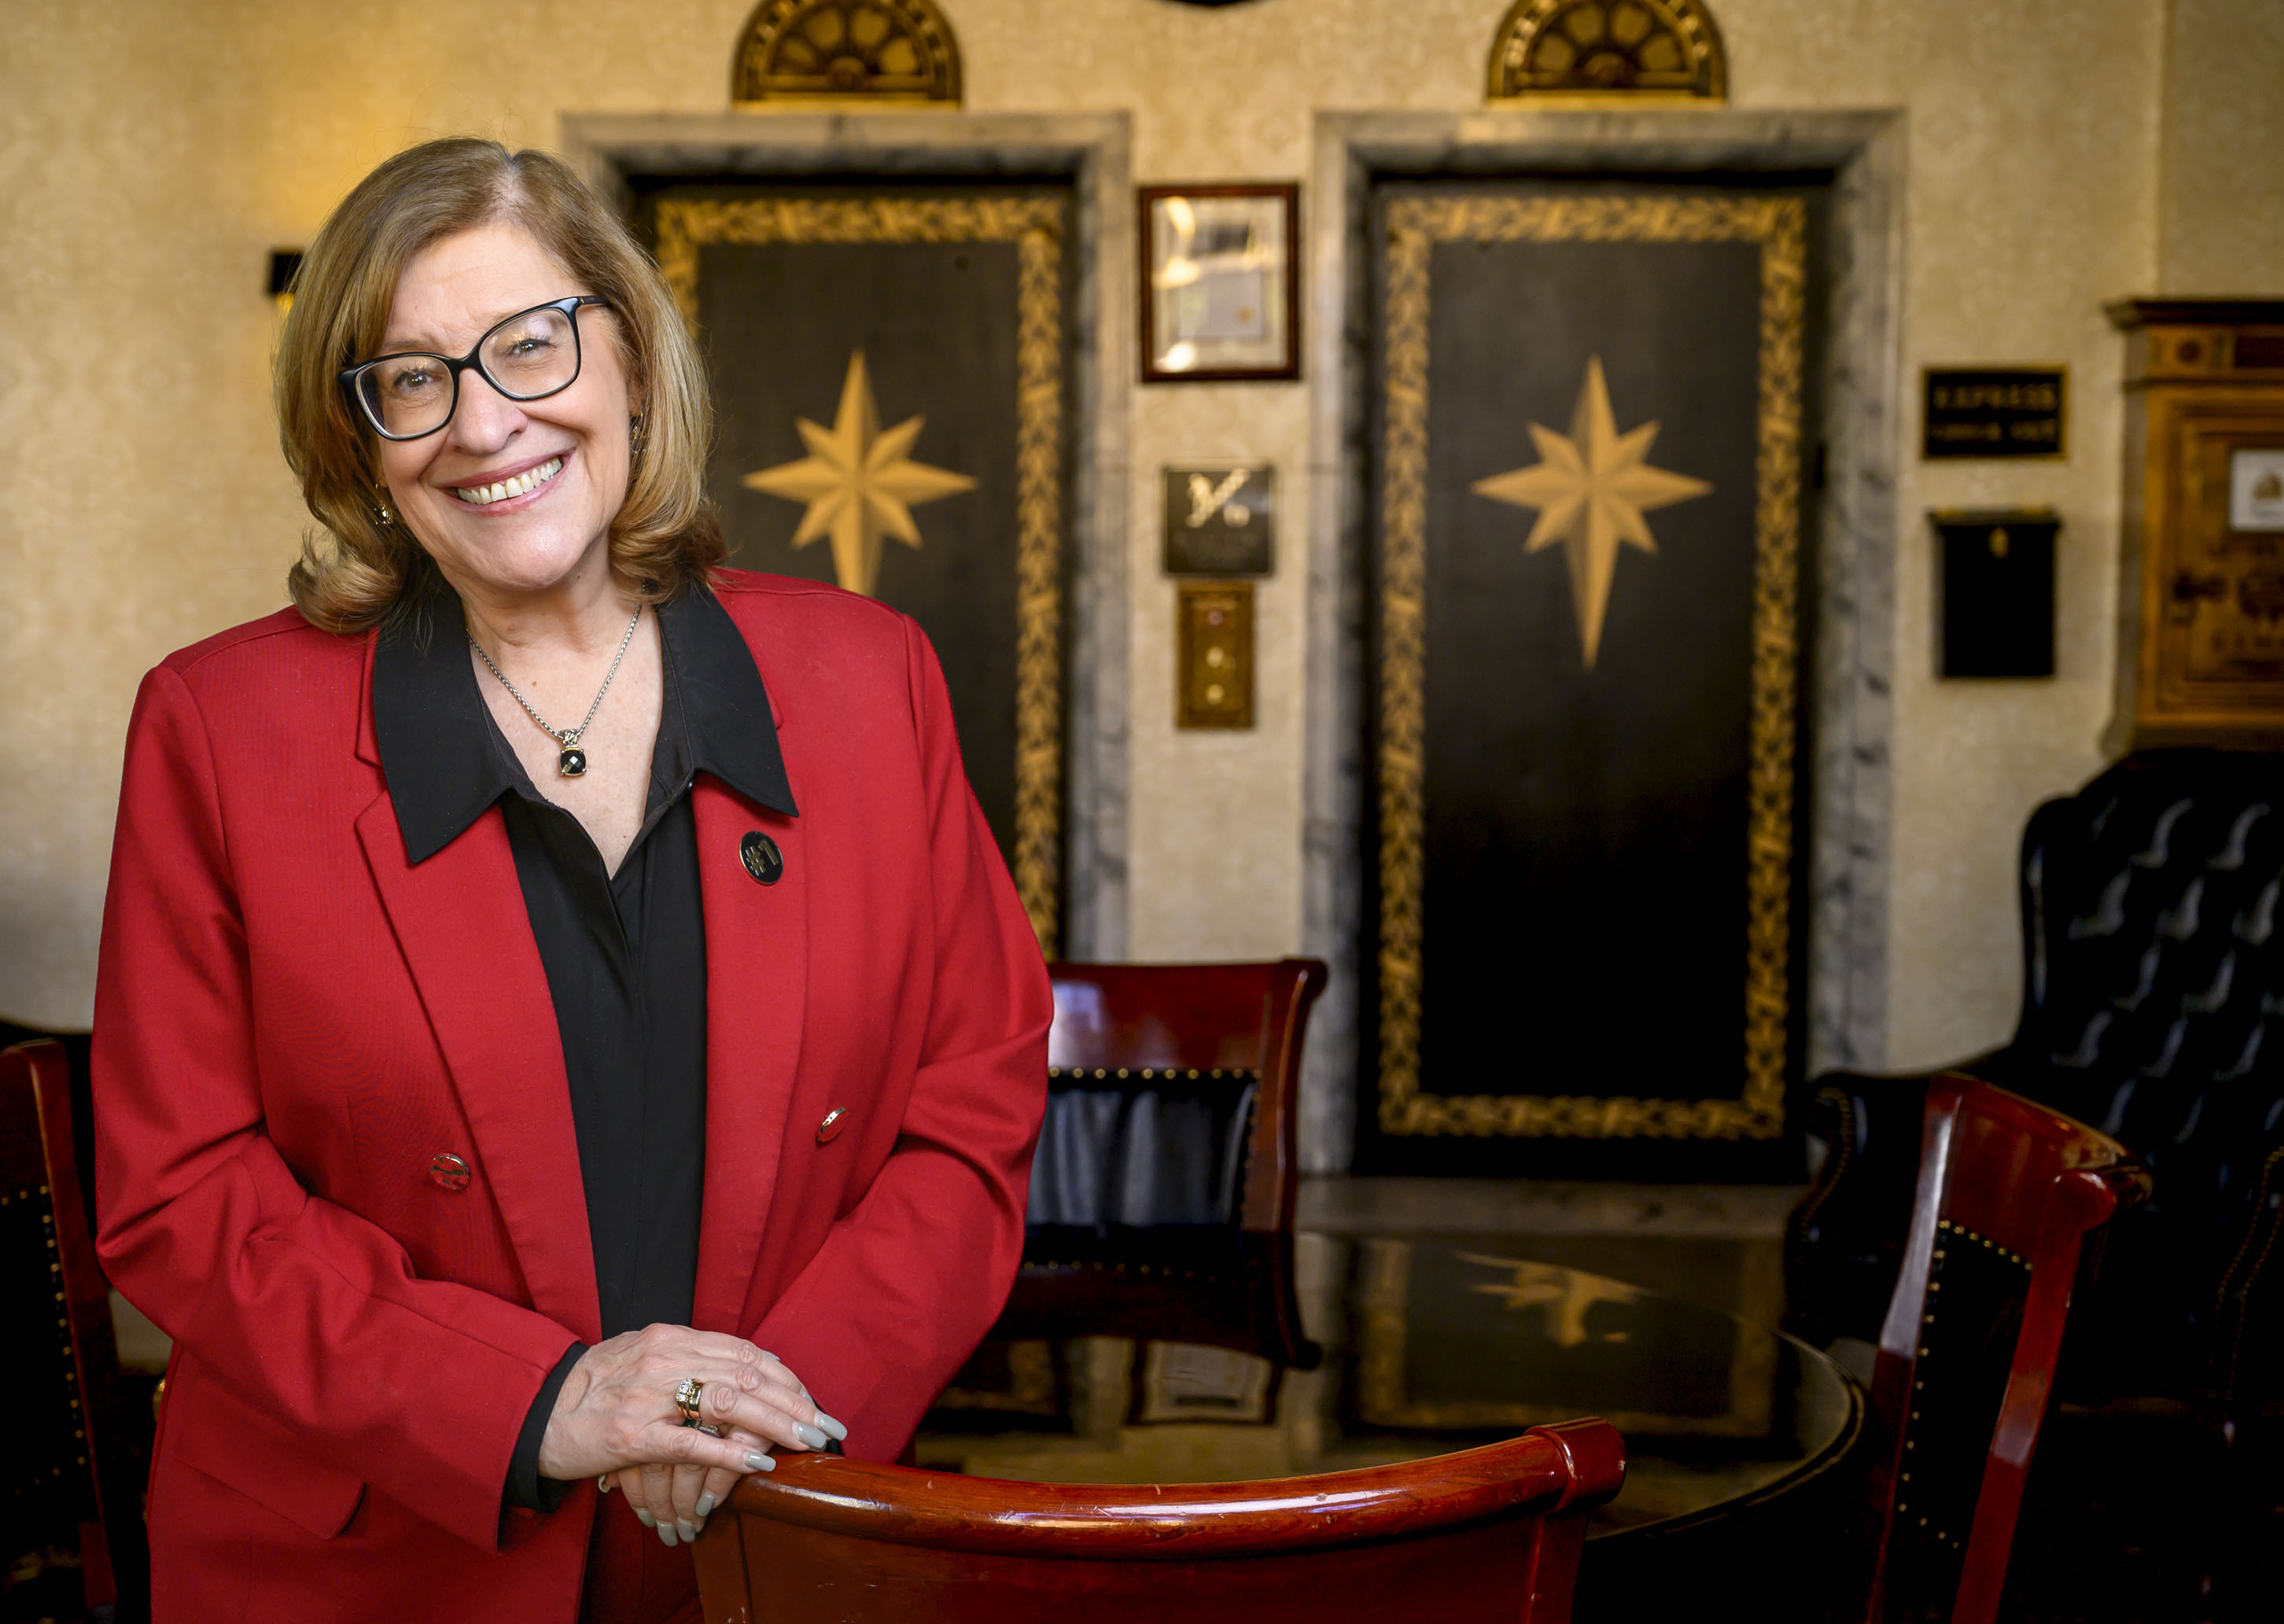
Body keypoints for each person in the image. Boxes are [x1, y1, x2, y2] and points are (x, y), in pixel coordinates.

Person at [90, 136, 1052, 1622]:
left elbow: (971, 1099)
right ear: (358, 436)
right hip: (366, 1568)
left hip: (784, 1524)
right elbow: (182, 1190)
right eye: (413, 379)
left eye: (530, 345)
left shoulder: (873, 679)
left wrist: (774, 1401)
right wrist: (541, 1399)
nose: (484, 424)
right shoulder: (217, 729)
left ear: (633, 361)